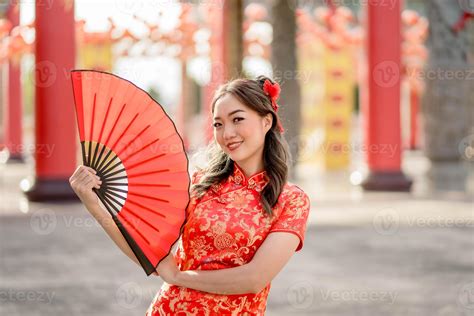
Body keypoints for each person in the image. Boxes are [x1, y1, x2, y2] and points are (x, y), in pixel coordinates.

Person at [69, 76, 311, 315]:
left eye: (237, 119)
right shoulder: (198, 184)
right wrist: (94, 205)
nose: (227, 133)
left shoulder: (291, 200)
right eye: (218, 124)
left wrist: (178, 277)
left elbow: (253, 279)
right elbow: (150, 253)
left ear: (266, 122)